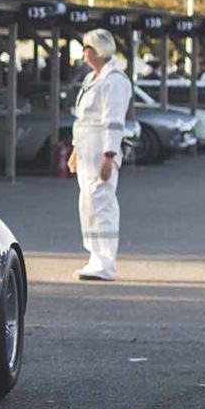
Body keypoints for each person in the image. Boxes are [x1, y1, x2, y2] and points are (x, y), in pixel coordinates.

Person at [68, 28, 132, 282]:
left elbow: (113, 121)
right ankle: (95, 257)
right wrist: (75, 149)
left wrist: (109, 155)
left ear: (100, 51)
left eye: (88, 48)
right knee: (88, 205)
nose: (84, 52)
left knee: (102, 204)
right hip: (86, 150)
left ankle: (106, 262)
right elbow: (83, 118)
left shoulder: (115, 80)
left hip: (100, 151)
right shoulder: (91, 79)